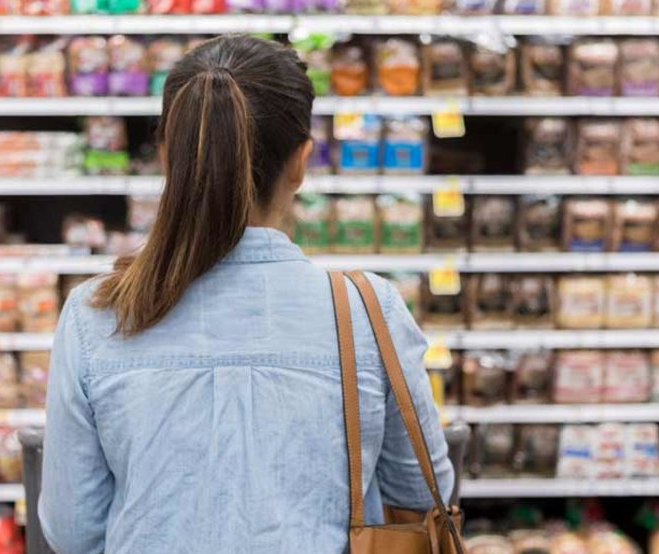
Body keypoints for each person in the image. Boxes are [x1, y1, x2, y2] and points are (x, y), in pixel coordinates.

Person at [39, 34, 453, 554]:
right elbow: (419, 490)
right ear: (301, 162)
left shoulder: (96, 314)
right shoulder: (367, 309)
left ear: (169, 158)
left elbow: (72, 530)